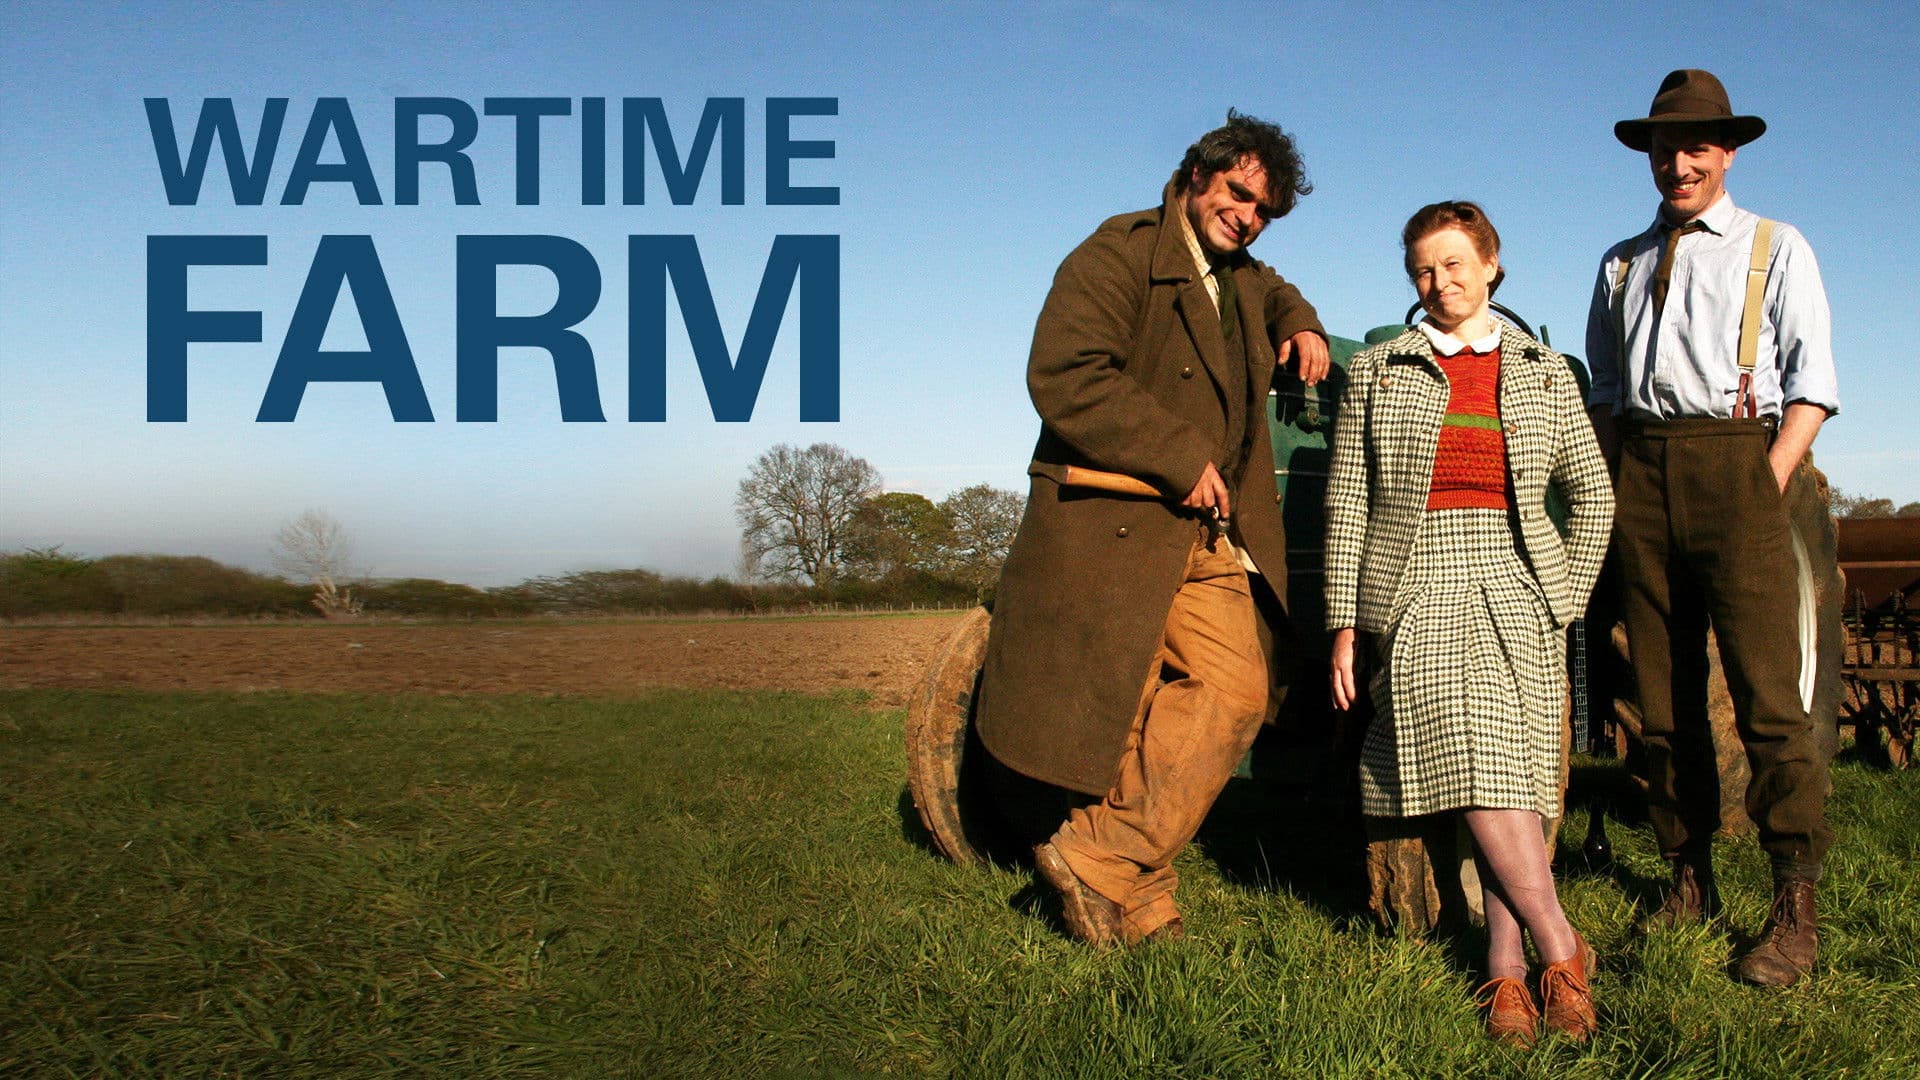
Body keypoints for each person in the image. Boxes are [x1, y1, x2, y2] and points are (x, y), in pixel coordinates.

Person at [973, 111, 1331, 948]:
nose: (1246, 216)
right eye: (1238, 194)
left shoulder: (1239, 273)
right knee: (1123, 712)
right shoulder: (1118, 254)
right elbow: (1064, 373)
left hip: (1208, 532)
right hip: (1118, 523)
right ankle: (1144, 898)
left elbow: (1273, 285)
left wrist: (1300, 319)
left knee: (1236, 694)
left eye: (1263, 210)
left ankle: (1096, 855)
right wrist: (1176, 454)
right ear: (1196, 176)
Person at [1326, 202, 1614, 1043]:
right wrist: (1346, 619)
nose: (1439, 282)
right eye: (1422, 269)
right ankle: (1560, 942)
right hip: (1414, 580)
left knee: (1509, 772)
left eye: (1455, 264)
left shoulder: (1544, 371)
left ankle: (1506, 967)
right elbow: (1348, 499)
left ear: (1491, 265)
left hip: (1517, 576)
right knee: (1483, 748)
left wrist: (1561, 595)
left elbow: (1592, 495)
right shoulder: (1380, 370)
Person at [1585, 68, 1841, 987]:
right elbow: (1607, 389)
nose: (1678, 161)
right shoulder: (1619, 262)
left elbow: (1812, 387)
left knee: (1772, 701)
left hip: (1742, 466)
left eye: (1697, 145)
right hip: (1643, 474)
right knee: (1662, 704)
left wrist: (1766, 482)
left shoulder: (1776, 247)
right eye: (1664, 146)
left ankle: (1792, 902)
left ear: (1727, 153)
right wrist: (1620, 479)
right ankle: (1686, 877)